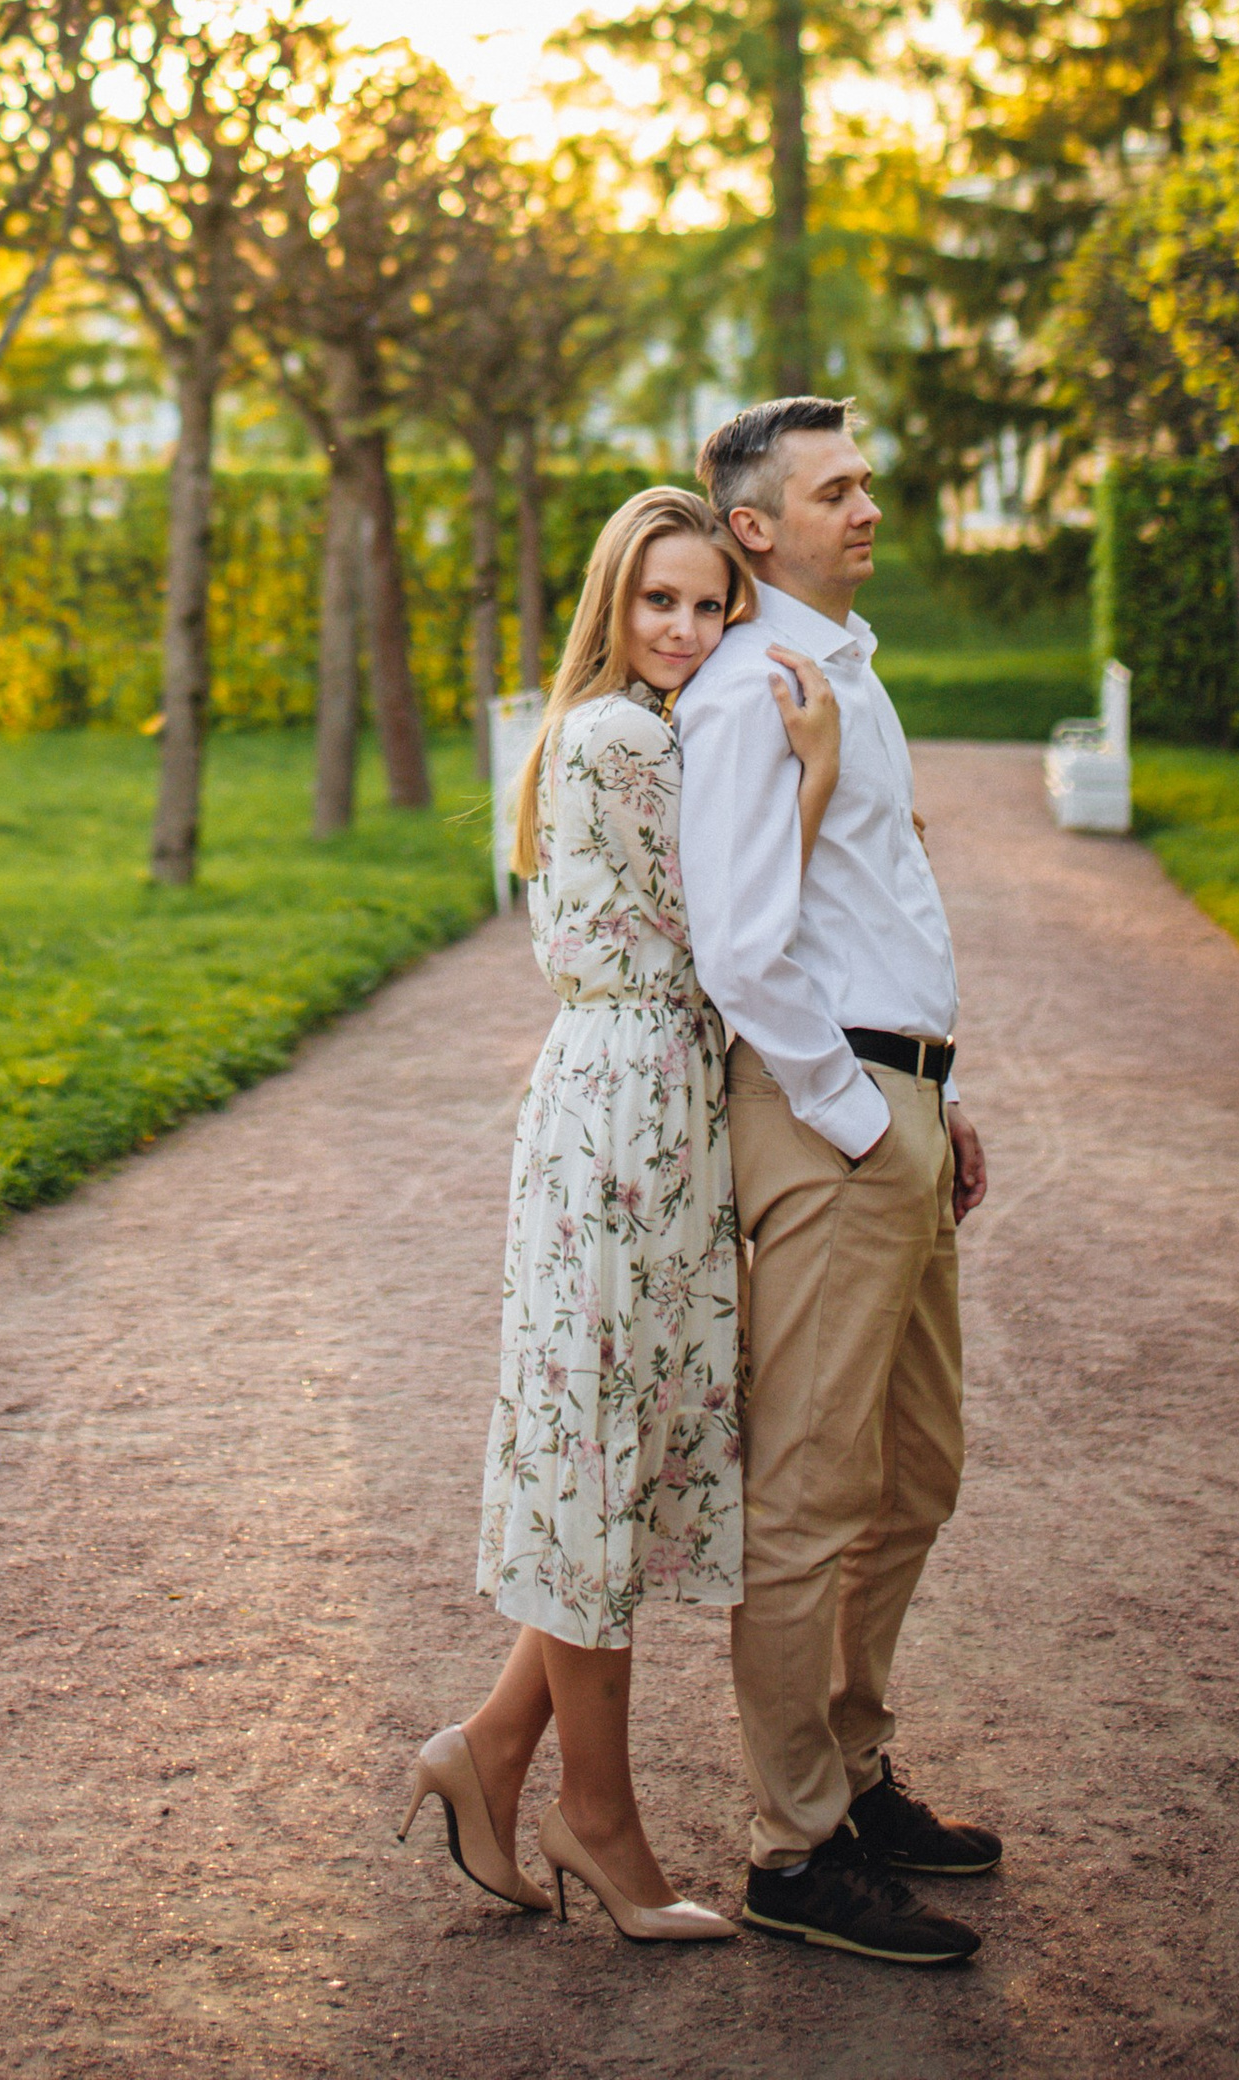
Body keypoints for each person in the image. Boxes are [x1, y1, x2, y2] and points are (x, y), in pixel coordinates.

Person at [398, 485, 841, 1939]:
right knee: (604, 1457)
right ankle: (601, 1823)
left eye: (712, 605)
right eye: (662, 600)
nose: (689, 628)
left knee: (621, 1455)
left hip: (646, 1096)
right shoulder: (622, 737)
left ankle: (491, 1749)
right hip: (624, 1115)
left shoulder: (624, 728)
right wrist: (815, 783)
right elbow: (739, 923)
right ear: (613, 601)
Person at [676, 396, 1002, 1972]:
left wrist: (943, 1097)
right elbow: (741, 944)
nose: (868, 506)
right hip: (831, 1117)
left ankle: (858, 1775)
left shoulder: (845, 675)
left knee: (917, 1467)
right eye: (836, 490)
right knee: (809, 1492)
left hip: (900, 1097)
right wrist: (863, 1119)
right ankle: (792, 1848)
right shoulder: (757, 690)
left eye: (867, 480)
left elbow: (873, 899)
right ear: (755, 526)